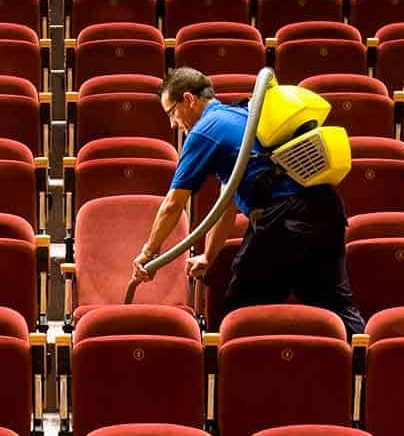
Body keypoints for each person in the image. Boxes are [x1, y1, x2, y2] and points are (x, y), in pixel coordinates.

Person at [131, 67, 366, 336]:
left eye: (171, 112)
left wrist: (148, 254)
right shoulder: (241, 116)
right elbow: (226, 204)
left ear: (188, 99)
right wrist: (208, 256)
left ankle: (235, 371)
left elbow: (174, 203)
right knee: (335, 306)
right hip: (325, 208)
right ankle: (365, 370)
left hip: (285, 218)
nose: (173, 124)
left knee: (240, 312)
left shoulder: (204, 131)